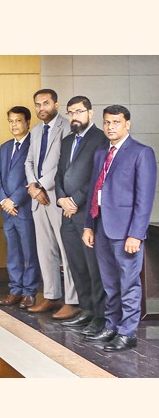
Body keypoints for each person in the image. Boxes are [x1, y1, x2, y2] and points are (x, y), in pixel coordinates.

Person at [82, 105, 157, 352]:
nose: (110, 127)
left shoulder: (141, 153)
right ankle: (111, 325)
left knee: (128, 283)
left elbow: (144, 199)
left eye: (116, 122)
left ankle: (127, 332)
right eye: (107, 122)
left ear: (127, 124)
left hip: (126, 231)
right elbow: (94, 191)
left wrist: (136, 233)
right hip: (101, 226)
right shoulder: (101, 152)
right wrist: (89, 225)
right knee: (109, 282)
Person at [55, 96, 108, 334]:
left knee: (93, 266)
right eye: (70, 112)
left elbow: (98, 176)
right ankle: (86, 309)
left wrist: (75, 200)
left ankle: (100, 315)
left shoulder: (100, 138)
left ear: (90, 113)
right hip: (67, 214)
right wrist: (61, 198)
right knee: (76, 264)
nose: (74, 116)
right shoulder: (67, 141)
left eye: (79, 111)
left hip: (88, 214)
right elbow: (59, 173)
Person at [24, 89, 78, 316]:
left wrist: (42, 186)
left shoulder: (67, 127)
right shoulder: (36, 130)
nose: (41, 108)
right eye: (37, 104)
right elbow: (28, 161)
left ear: (56, 104)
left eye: (45, 103)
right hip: (38, 199)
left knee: (67, 250)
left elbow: (63, 163)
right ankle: (51, 296)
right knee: (45, 251)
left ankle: (73, 301)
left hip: (58, 197)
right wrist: (32, 187)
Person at [0, 106, 40, 309]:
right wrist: (3, 200)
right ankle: (15, 290)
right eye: (11, 121)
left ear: (28, 123)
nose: (14, 125)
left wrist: (14, 200)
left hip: (25, 208)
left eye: (18, 120)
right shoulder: (5, 147)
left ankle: (29, 292)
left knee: (29, 253)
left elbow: (33, 179)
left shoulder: (34, 145)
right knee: (13, 253)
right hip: (7, 211)